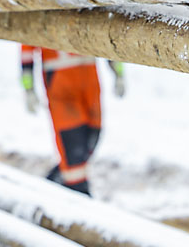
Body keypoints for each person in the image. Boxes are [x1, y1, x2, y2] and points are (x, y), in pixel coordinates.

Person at [21, 45, 125, 196]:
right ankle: (79, 204)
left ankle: (46, 192)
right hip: (60, 85)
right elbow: (26, 45)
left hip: (89, 83)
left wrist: (118, 71)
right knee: (73, 150)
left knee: (90, 140)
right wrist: (28, 88)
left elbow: (106, 38)